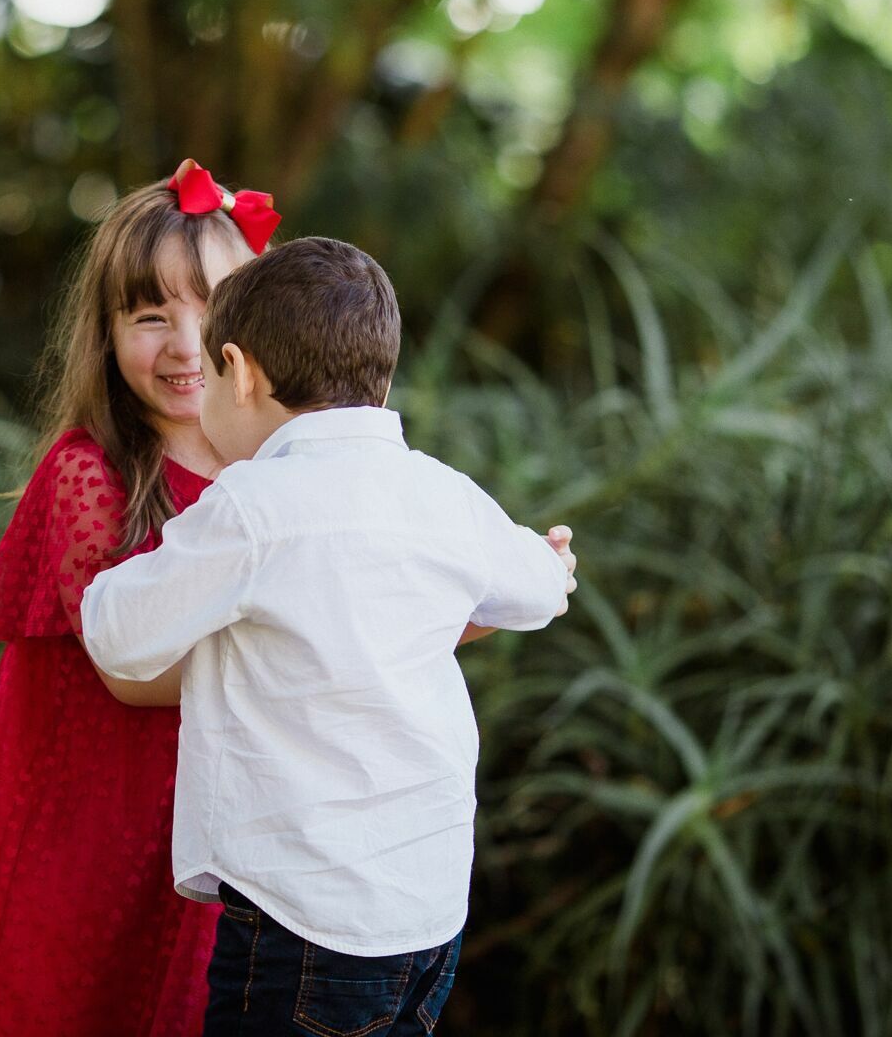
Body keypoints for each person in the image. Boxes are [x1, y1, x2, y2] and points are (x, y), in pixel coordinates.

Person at [0, 162, 282, 1037]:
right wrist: (349, 642)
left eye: (213, 310)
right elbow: (130, 670)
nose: (187, 346)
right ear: (106, 335)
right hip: (74, 845)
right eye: (151, 317)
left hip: (214, 841)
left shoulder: (283, 479)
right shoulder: (89, 476)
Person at [80, 236, 578, 1037]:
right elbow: (535, 591)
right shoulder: (438, 492)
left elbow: (114, 632)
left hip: (299, 922)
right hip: (427, 918)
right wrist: (553, 564)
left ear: (238, 373)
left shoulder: (251, 509)